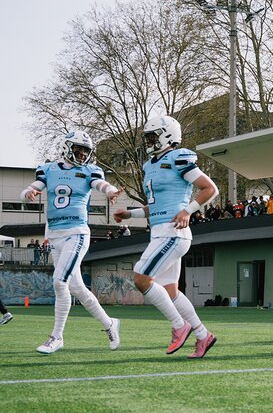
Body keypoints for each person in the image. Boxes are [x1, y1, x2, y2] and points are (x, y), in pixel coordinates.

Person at [113, 115, 219, 359]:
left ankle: (178, 325)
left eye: (153, 136)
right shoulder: (150, 165)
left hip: (173, 232)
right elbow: (157, 205)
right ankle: (203, 336)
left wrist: (188, 211)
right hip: (161, 231)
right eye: (147, 137)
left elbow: (209, 188)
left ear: (167, 135)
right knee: (170, 290)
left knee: (140, 278)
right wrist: (130, 213)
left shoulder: (179, 157)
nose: (149, 141)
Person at [21, 130, 123, 355]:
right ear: (68, 147)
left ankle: (56, 336)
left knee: (59, 282)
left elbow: (100, 184)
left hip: (76, 232)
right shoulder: (49, 168)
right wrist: (27, 193)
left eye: (86, 150)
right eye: (79, 149)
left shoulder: (90, 171)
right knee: (76, 287)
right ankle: (109, 324)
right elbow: (35, 186)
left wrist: (111, 191)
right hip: (56, 234)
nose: (82, 154)